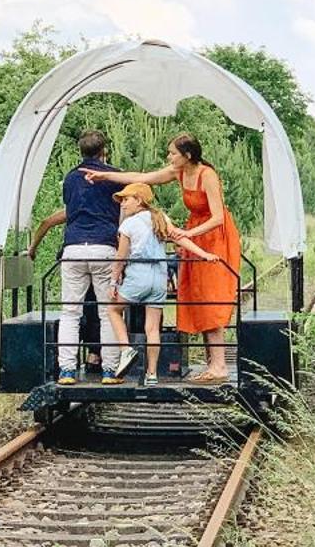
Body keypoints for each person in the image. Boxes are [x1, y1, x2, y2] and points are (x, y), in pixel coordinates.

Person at [85, 133, 242, 383]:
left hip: (214, 235)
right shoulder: (178, 172)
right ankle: (213, 363)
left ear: (187, 155)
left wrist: (189, 232)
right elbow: (142, 177)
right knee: (196, 295)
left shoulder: (207, 175)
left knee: (211, 298)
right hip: (194, 233)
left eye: (172, 153)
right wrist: (105, 175)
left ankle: (220, 365)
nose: (169, 157)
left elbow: (218, 217)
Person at [26, 129, 130, 384]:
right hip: (103, 247)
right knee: (108, 312)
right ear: (104, 151)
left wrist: (33, 247)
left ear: (80, 151)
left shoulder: (71, 178)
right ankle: (109, 371)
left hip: (73, 248)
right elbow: (124, 210)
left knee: (70, 312)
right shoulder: (115, 176)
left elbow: (69, 211)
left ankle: (67, 371)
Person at [103, 182, 217, 386]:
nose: (122, 204)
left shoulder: (128, 225)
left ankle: (126, 350)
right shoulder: (161, 218)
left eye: (126, 199)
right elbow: (180, 238)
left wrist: (113, 281)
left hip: (139, 275)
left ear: (139, 200)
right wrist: (204, 254)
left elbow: (121, 257)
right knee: (153, 328)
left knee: (112, 309)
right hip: (159, 277)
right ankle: (152, 374)